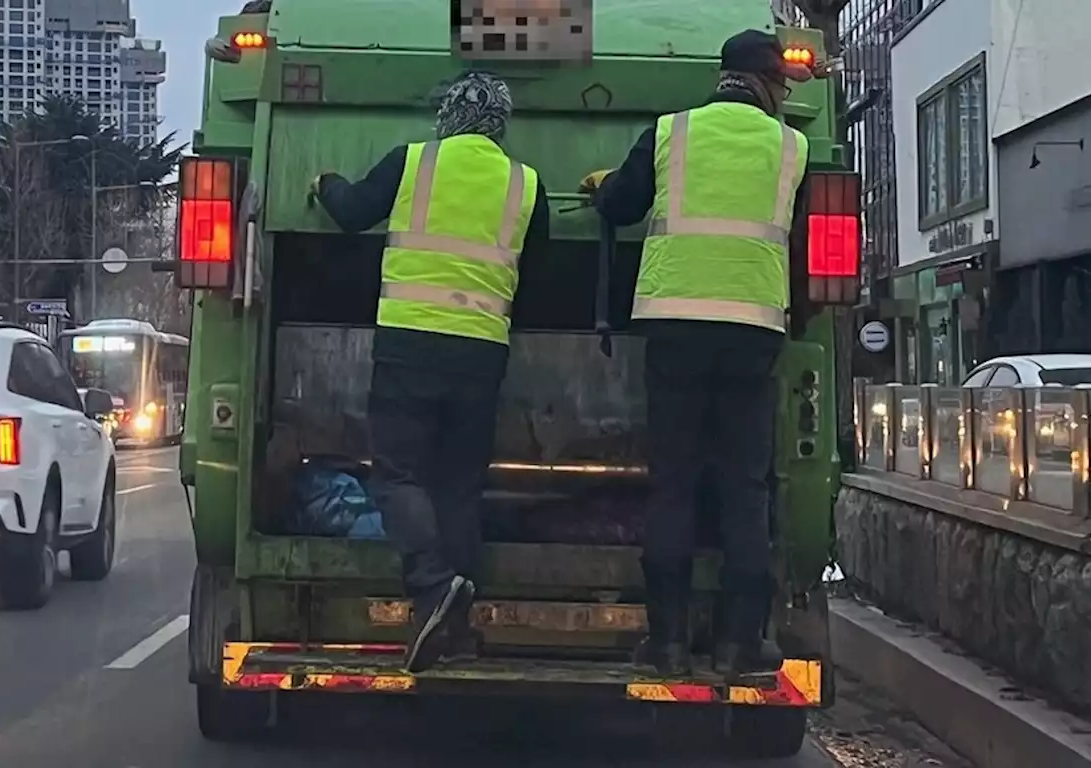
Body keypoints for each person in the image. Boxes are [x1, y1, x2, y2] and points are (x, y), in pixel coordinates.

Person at [581, 29, 808, 681]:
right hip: (754, 330)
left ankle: (670, 643)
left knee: (674, 481)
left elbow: (621, 206)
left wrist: (603, 187)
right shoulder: (790, 146)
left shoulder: (670, 133)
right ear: (768, 83)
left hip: (675, 326)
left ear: (722, 77)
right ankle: (742, 644)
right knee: (744, 485)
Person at [312, 71, 550, 673]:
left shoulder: (412, 163)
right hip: (481, 353)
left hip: (410, 346)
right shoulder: (526, 184)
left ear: (447, 116)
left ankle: (430, 583)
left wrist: (324, 181)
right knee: (459, 486)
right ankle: (455, 629)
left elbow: (351, 212)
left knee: (397, 475)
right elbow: (542, 269)